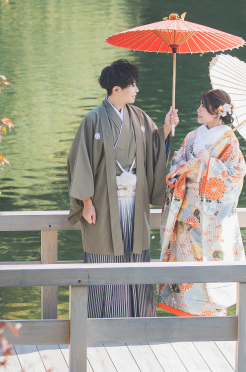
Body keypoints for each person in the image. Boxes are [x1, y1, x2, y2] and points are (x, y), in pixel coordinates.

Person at [67, 59, 178, 318]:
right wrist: (86, 202)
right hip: (104, 204)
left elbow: (154, 146)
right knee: (105, 257)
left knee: (135, 256)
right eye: (133, 85)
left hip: (134, 203)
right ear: (116, 89)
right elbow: (80, 161)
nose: (136, 89)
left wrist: (166, 128)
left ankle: (138, 321)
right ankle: (102, 322)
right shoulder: (93, 120)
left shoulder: (138, 117)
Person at [158, 89, 246, 316]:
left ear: (217, 111)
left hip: (212, 217)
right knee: (186, 259)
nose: (198, 110)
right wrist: (183, 168)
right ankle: (186, 310)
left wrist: (211, 165)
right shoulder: (192, 136)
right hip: (187, 211)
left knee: (211, 261)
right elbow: (176, 161)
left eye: (203, 106)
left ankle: (213, 315)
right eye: (199, 105)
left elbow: (236, 175)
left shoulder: (229, 140)